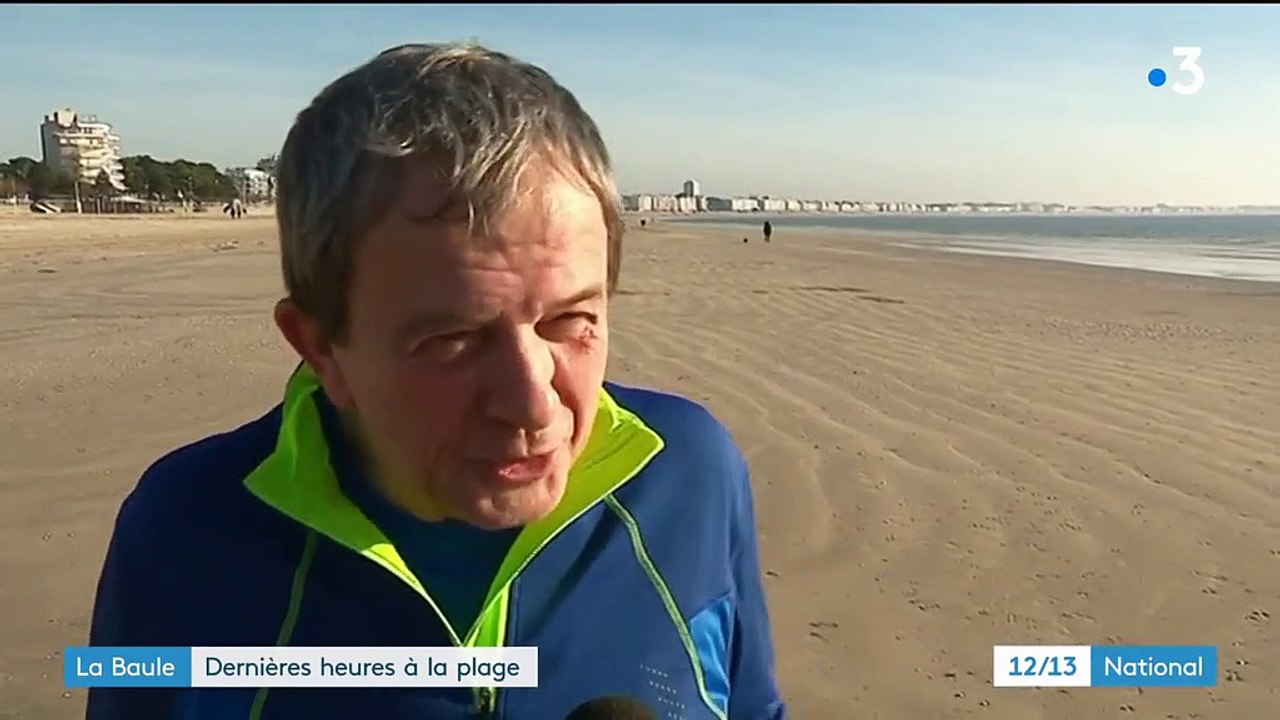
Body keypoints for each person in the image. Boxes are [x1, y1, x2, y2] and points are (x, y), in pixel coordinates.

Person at [86, 42, 786, 720]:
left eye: (570, 322)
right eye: (451, 340)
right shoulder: (183, 531)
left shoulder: (689, 473)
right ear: (321, 347)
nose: (531, 402)